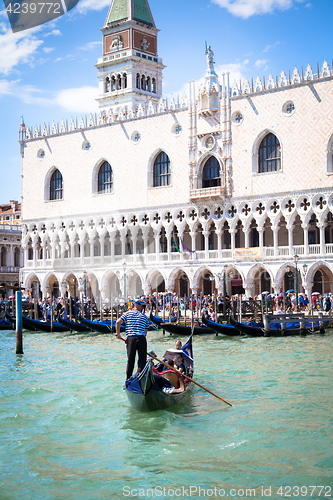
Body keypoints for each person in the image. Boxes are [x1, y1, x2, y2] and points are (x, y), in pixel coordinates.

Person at [115, 300, 150, 380]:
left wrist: (118, 334)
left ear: (135, 305)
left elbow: (118, 322)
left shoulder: (127, 313)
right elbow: (145, 332)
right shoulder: (144, 317)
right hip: (141, 339)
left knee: (131, 361)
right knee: (142, 361)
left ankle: (128, 380)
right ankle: (139, 378)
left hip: (131, 339)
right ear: (141, 307)